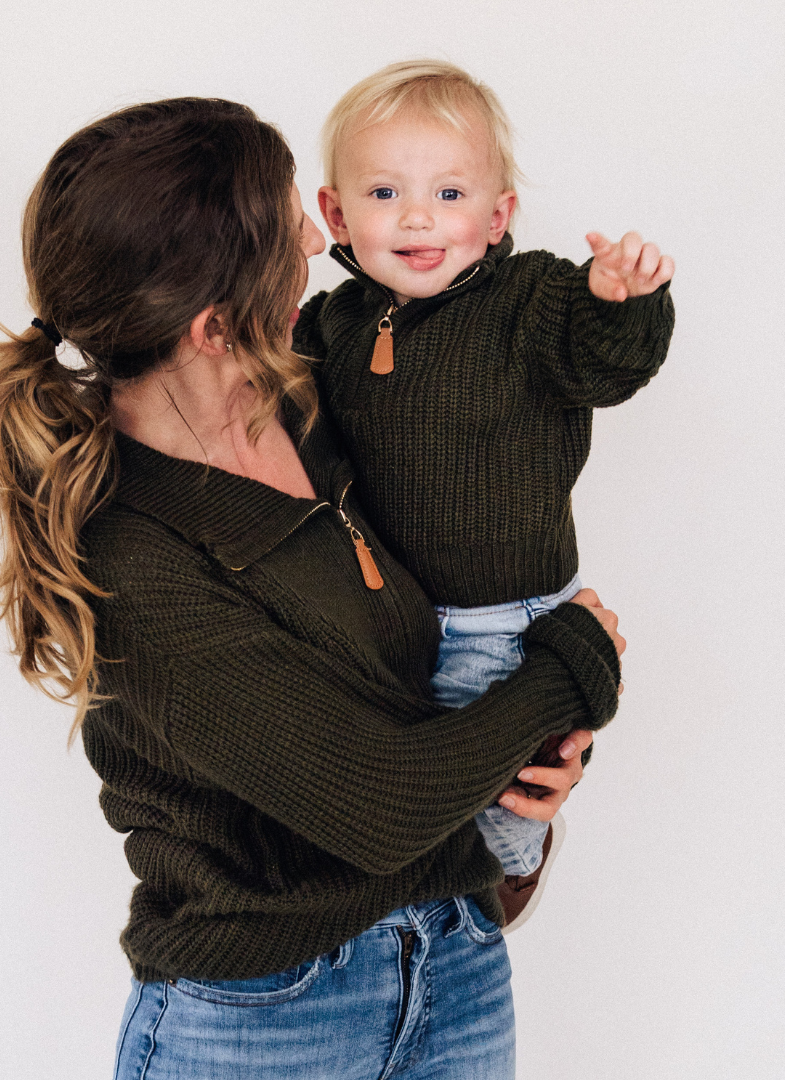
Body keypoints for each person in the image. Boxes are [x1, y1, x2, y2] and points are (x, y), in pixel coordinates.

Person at [0, 97, 625, 1080]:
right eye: (289, 226)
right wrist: (575, 666)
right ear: (214, 318)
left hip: (457, 967)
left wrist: (524, 785)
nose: (320, 239)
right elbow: (379, 806)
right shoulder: (130, 555)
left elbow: (431, 666)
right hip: (265, 1024)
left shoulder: (320, 397)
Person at [293, 59, 673, 886]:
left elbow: (605, 363)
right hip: (390, 610)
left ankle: (509, 873)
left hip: (503, 614)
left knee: (496, 797)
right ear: (336, 213)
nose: (419, 216)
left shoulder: (532, 302)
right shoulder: (333, 322)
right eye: (385, 194)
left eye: (452, 195)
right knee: (405, 782)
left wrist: (620, 301)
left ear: (499, 215)